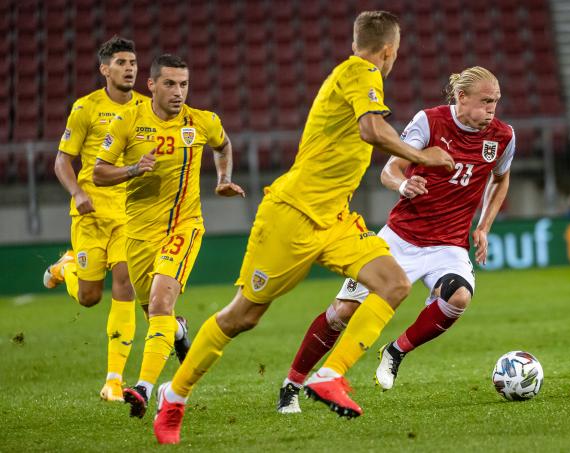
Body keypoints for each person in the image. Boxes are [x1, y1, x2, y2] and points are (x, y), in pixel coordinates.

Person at [153, 11, 454, 445]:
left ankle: (330, 376)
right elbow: (372, 129)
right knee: (244, 316)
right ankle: (175, 395)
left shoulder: (356, 73)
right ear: (389, 50)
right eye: (397, 51)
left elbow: (368, 129)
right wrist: (423, 156)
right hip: (291, 214)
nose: (395, 59)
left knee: (392, 284)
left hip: (334, 218)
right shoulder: (360, 71)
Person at [276, 66, 515, 413]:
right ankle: (292, 384)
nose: (492, 109)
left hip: (448, 245)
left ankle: (396, 350)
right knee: (342, 313)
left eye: (496, 101)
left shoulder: (502, 136)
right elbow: (390, 169)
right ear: (462, 98)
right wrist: (403, 185)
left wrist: (484, 225)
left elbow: (501, 178)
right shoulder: (429, 122)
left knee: (459, 297)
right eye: (486, 101)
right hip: (400, 239)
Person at [92, 54, 245, 418]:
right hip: (139, 234)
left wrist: (223, 180)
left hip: (183, 226)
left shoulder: (202, 121)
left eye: (184, 84)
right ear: (151, 85)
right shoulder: (128, 121)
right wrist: (132, 169)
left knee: (160, 303)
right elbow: (98, 172)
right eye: (170, 84)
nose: (179, 92)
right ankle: (178, 332)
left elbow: (222, 145)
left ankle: (144, 388)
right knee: (157, 316)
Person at [42, 36, 150, 402]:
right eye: (121, 62)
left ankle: (114, 381)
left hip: (129, 214)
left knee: (126, 283)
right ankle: (65, 268)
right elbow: (62, 161)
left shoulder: (147, 108)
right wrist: (78, 192)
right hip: (90, 214)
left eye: (133, 62)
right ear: (105, 69)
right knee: (89, 297)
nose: (130, 68)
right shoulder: (85, 108)